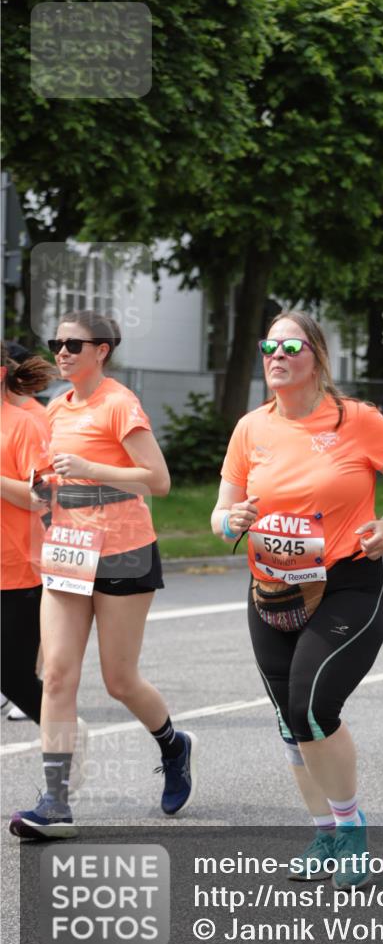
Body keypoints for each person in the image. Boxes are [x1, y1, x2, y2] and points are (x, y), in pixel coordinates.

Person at [211, 310, 383, 889]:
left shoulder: (358, 420)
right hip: (272, 588)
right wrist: (230, 517)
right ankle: (324, 834)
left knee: (311, 707)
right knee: (288, 721)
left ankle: (351, 826)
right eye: (268, 345)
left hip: (347, 583)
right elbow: (220, 512)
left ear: (317, 358)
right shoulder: (251, 428)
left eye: (290, 346)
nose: (276, 355)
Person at [9, 311, 197, 840]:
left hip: (123, 554)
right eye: (57, 343)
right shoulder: (54, 409)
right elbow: (46, 487)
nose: (62, 352)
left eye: (74, 344)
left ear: (103, 350)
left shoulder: (119, 404)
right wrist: (38, 488)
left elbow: (157, 480)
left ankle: (172, 744)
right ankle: (55, 800)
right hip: (68, 552)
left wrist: (93, 469)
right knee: (60, 675)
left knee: (119, 680)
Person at [1, 343, 53, 725]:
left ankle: (66, 737)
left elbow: (41, 497)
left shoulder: (23, 424)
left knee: (14, 676)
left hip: (14, 571)